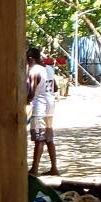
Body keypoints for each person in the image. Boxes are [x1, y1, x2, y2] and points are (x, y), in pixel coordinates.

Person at [27, 46, 60, 176]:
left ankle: (34, 169)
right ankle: (54, 168)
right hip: (50, 106)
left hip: (39, 107)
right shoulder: (49, 69)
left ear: (30, 59)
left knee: (39, 139)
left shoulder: (34, 71)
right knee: (49, 138)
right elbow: (55, 88)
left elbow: (31, 92)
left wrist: (24, 100)